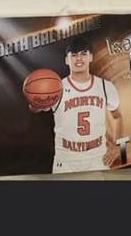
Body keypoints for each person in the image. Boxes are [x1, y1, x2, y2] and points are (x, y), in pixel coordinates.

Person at [28, 35, 123, 174]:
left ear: (91, 57)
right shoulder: (56, 88)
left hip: (97, 159)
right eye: (73, 55)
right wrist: (35, 100)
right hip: (66, 161)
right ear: (67, 60)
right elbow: (35, 108)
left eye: (83, 54)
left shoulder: (105, 87)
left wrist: (117, 145)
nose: (79, 59)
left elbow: (117, 116)